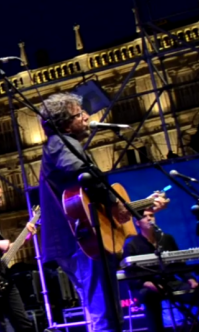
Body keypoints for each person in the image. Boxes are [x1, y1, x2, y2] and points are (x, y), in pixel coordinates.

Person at [38, 92, 167, 332]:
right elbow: (81, 172)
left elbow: (89, 192)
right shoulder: (60, 143)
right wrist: (112, 201)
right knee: (104, 316)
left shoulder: (66, 144)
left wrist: (137, 209)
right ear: (65, 123)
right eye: (80, 114)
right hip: (80, 242)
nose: (87, 117)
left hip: (85, 240)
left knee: (109, 314)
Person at [122, 208, 199, 331]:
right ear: (138, 223)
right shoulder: (132, 245)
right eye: (145, 217)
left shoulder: (166, 239)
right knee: (150, 298)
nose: (149, 218)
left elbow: (179, 265)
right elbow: (131, 274)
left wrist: (191, 279)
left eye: (152, 215)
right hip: (147, 286)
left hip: (171, 283)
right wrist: (148, 284)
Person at [0, 179, 36, 332]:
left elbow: (8, 248)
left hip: (4, 278)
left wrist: (26, 236)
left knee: (24, 324)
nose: (1, 202)